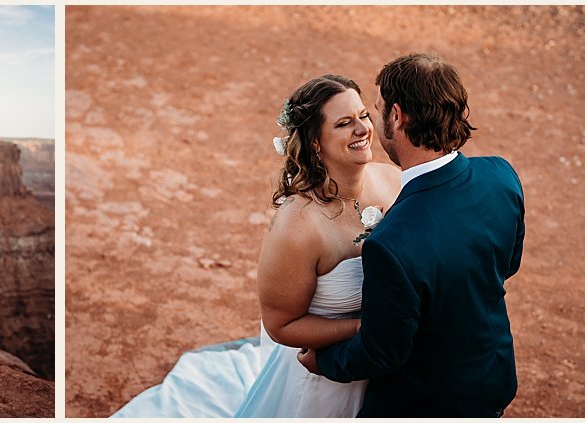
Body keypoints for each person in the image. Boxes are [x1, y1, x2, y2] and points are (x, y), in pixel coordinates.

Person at [111, 74, 401, 417]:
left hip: (389, 370)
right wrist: (364, 329)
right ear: (315, 143)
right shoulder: (297, 225)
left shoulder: (395, 181)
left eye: (363, 116)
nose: (362, 129)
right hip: (322, 382)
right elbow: (282, 325)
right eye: (343, 123)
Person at [297, 53, 526, 417]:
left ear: (397, 116)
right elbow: (507, 264)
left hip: (428, 401)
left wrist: (324, 362)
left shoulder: (391, 243)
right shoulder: (500, 176)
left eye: (376, 110)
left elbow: (381, 352)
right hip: (493, 376)